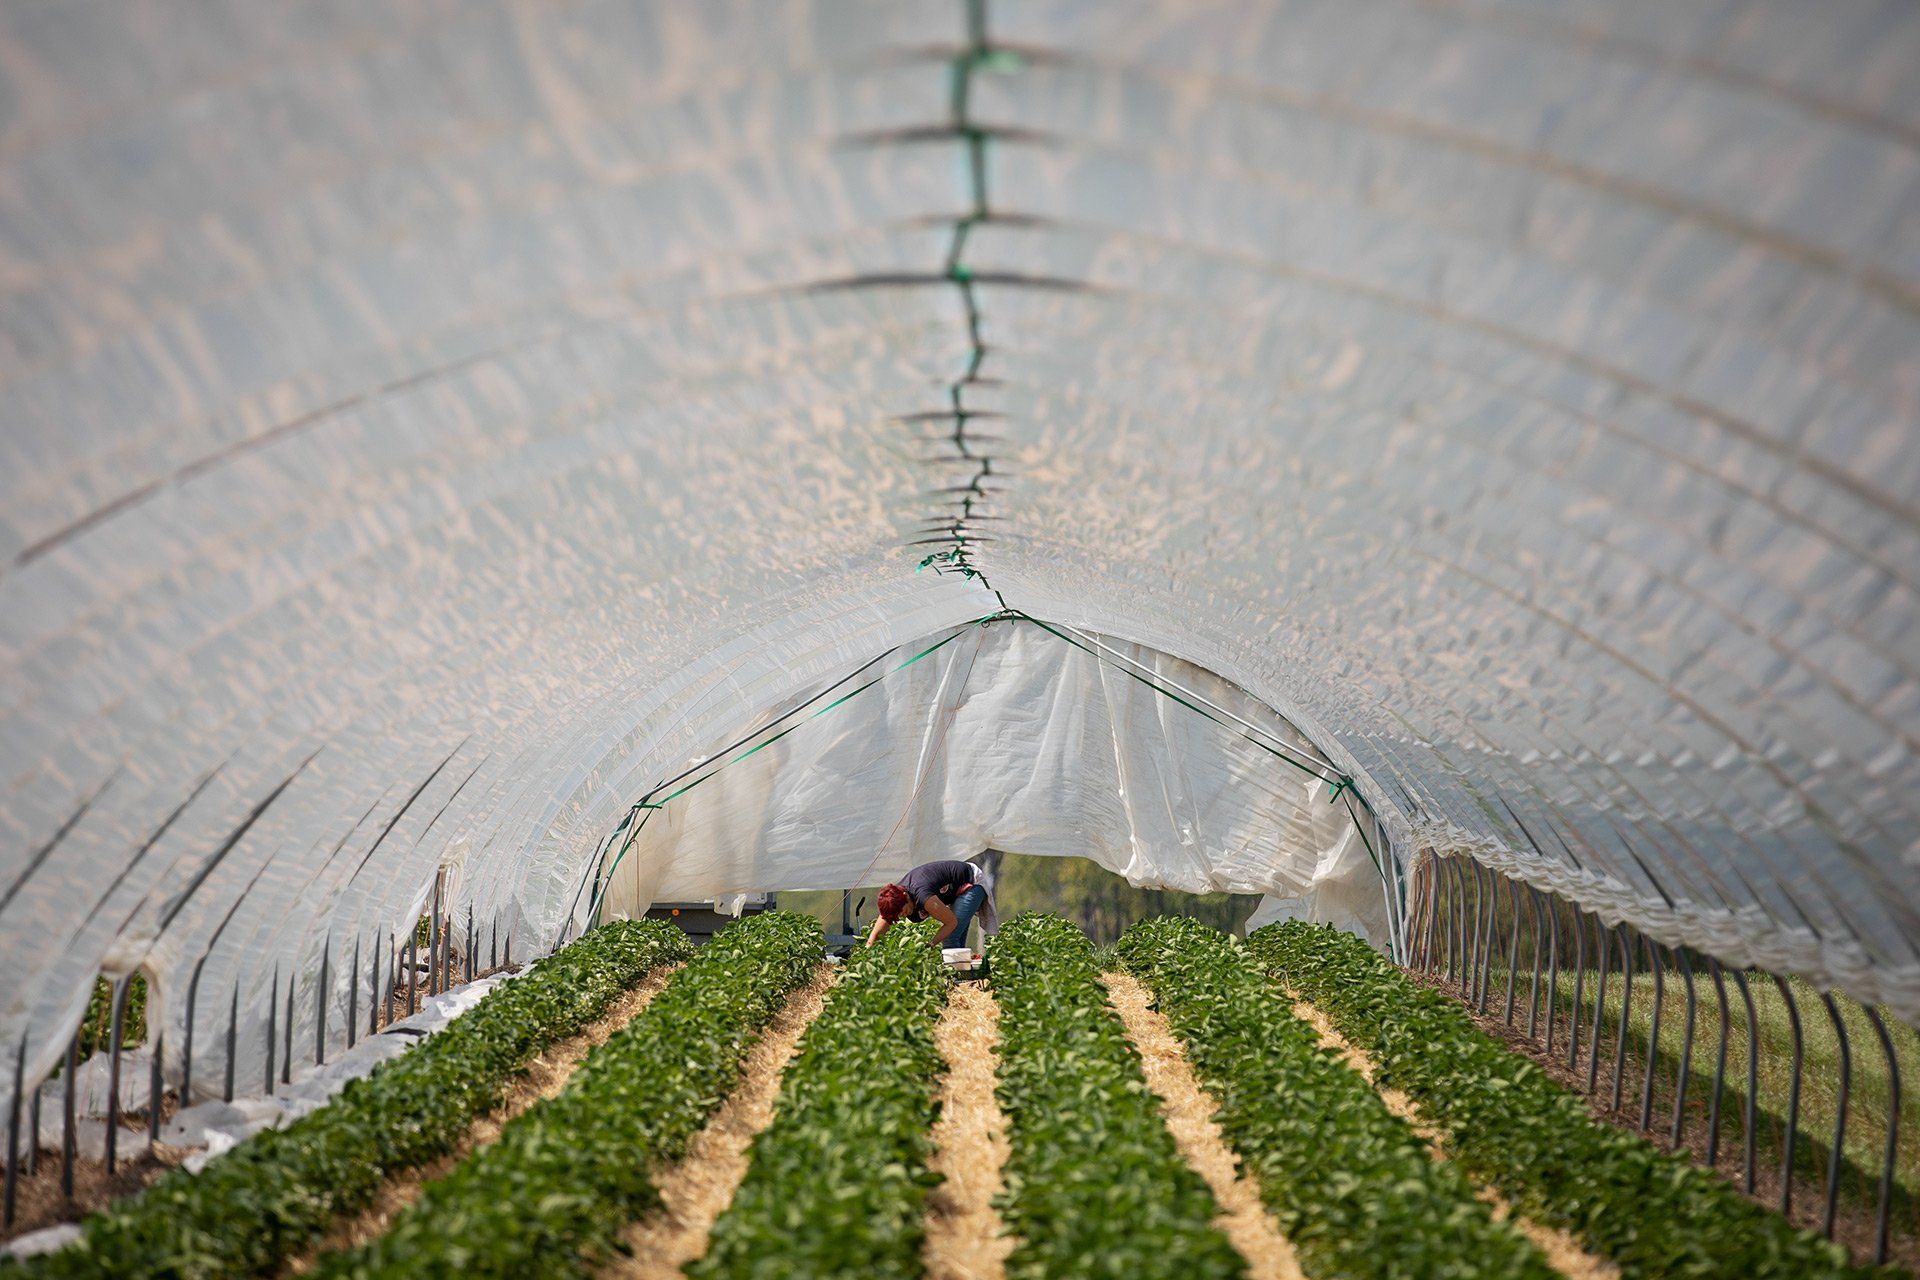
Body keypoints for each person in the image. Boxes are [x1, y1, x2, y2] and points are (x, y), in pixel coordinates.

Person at [865, 857, 998, 949]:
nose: (902, 916)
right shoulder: (893, 901)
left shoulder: (923, 896)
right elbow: (875, 936)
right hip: (952, 889)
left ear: (906, 897)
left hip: (970, 882)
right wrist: (867, 951)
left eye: (903, 911)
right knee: (956, 939)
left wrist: (931, 944)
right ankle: (962, 975)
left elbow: (951, 922)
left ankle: (958, 977)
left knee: (951, 937)